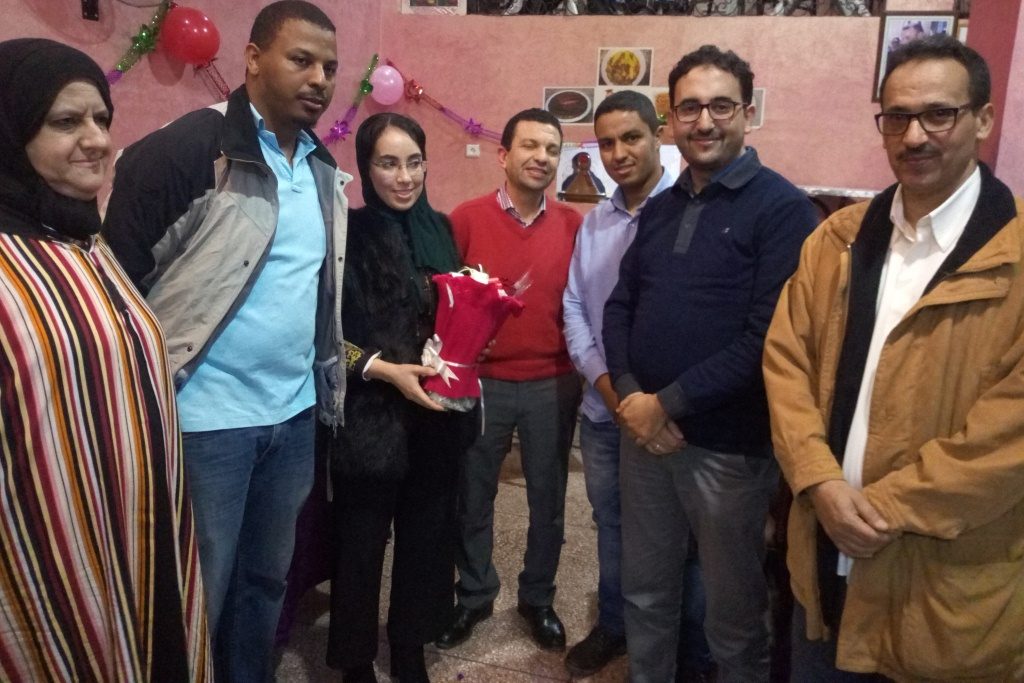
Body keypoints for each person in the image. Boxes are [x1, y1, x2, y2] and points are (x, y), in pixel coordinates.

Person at [763, 35, 1024, 681]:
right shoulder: (837, 240)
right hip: (824, 556)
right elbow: (786, 364)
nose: (914, 136)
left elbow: (1009, 438)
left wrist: (888, 508)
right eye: (898, 117)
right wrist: (820, 481)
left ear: (983, 119)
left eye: (939, 114)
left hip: (940, 582)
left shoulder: (1014, 256)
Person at [103, 2, 348, 680]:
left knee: (267, 580)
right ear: (253, 58)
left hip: (293, 417)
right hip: (205, 421)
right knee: (197, 588)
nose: (319, 79)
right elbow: (117, 286)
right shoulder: (190, 150)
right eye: (301, 59)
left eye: (330, 67)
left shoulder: (321, 167)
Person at [602, 45, 818, 682]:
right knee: (646, 593)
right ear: (671, 118)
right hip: (644, 439)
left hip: (728, 450)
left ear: (748, 113)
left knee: (732, 614)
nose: (703, 121)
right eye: (689, 107)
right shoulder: (662, 205)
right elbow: (620, 306)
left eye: (720, 106)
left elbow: (767, 339)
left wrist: (663, 404)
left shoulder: (783, 209)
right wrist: (632, 398)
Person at [0, 38, 210, 681]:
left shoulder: (85, 242)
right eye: (66, 122)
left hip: (135, 526)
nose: (96, 140)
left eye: (101, 118)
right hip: (42, 548)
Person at [561, 89, 712, 681]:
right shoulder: (596, 222)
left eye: (631, 137)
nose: (619, 153)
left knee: (686, 535)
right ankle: (615, 624)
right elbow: (576, 306)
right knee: (612, 523)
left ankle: (690, 648)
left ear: (659, 135)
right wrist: (609, 391)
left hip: (672, 415)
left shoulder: (687, 211)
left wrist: (656, 403)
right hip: (605, 413)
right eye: (606, 143)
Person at [325, 113, 478, 683]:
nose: (405, 176)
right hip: (371, 419)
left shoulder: (441, 229)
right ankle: (355, 661)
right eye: (388, 163)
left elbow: (454, 319)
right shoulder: (347, 232)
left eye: (414, 162)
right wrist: (381, 368)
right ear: (366, 168)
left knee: (426, 542)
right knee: (360, 547)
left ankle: (410, 646)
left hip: (435, 419)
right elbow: (322, 336)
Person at [435, 108, 582, 652]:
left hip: (553, 381)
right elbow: (445, 298)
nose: (541, 157)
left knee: (549, 499)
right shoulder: (467, 219)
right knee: (473, 495)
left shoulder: (573, 224)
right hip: (483, 385)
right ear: (504, 154)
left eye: (552, 148)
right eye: (530, 146)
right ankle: (474, 594)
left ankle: (537, 598)